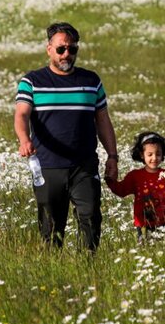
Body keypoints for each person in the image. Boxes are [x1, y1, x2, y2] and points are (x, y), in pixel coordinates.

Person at [14, 22, 118, 251]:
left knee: (90, 216)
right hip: (48, 165)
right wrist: (24, 140)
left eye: (72, 49)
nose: (66, 54)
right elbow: (21, 115)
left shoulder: (91, 81)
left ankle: (88, 267)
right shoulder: (32, 82)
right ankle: (53, 270)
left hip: (84, 165)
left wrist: (113, 156)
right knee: (51, 225)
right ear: (49, 49)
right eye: (61, 49)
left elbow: (103, 120)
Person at [105, 131, 165, 243]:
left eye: (158, 154)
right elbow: (122, 190)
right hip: (144, 224)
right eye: (150, 154)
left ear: (163, 155)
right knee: (146, 250)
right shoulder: (135, 176)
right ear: (142, 155)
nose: (154, 158)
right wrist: (110, 180)